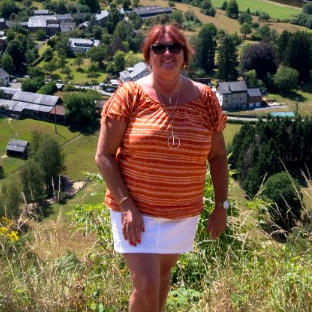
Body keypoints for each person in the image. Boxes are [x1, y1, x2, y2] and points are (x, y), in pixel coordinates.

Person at [95, 24, 229, 312]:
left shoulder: (206, 98)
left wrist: (221, 205)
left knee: (163, 277)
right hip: (135, 213)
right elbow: (103, 155)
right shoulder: (129, 95)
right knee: (146, 285)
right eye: (159, 47)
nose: (167, 53)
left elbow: (218, 156)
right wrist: (126, 205)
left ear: (185, 56)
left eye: (175, 47)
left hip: (181, 212)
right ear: (148, 56)